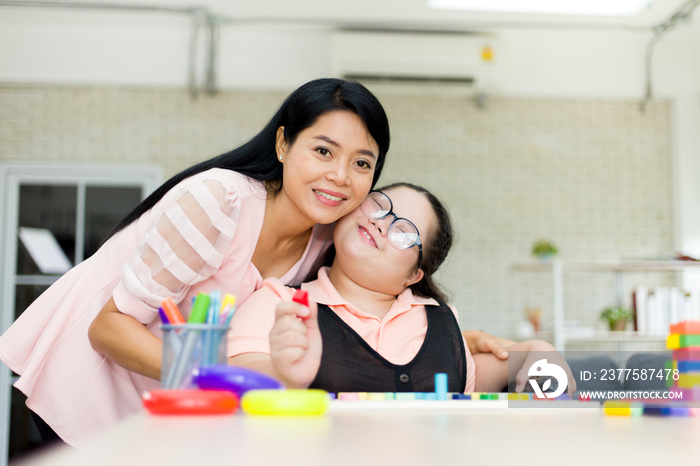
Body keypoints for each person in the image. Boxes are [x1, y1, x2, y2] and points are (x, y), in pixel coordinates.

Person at [228, 183, 576, 395]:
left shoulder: (442, 325)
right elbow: (236, 384)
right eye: (380, 206)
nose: (382, 223)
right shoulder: (278, 302)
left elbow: (511, 367)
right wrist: (285, 377)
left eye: (405, 232)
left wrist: (541, 351)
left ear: (414, 275)